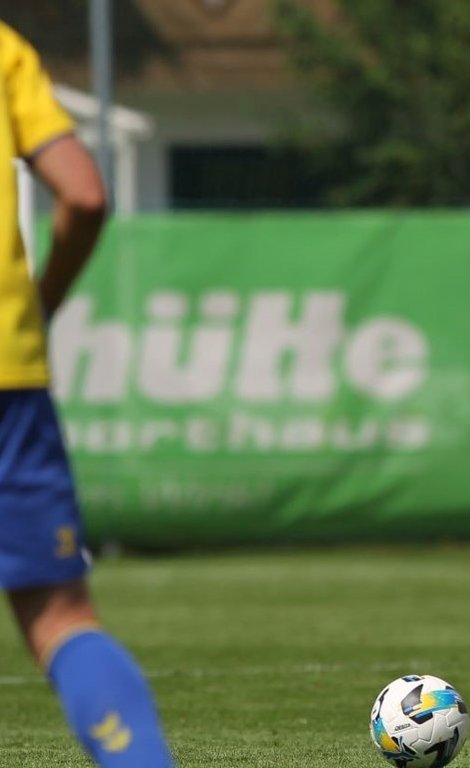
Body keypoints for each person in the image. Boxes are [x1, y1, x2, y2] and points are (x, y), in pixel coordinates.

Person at [0, 20, 175, 768]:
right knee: (61, 618)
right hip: (7, 372)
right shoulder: (3, 47)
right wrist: (41, 305)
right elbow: (85, 195)